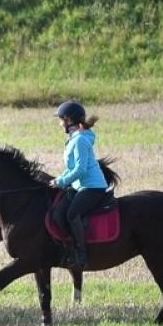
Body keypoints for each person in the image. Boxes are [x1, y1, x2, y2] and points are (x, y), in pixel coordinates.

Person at [48, 100, 108, 268]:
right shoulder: (74, 138)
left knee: (72, 214)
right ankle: (69, 247)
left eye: (61, 120)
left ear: (68, 120)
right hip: (78, 187)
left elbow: (80, 170)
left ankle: (82, 254)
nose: (60, 124)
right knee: (58, 213)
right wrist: (58, 180)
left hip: (92, 187)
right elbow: (71, 168)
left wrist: (61, 181)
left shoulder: (80, 140)